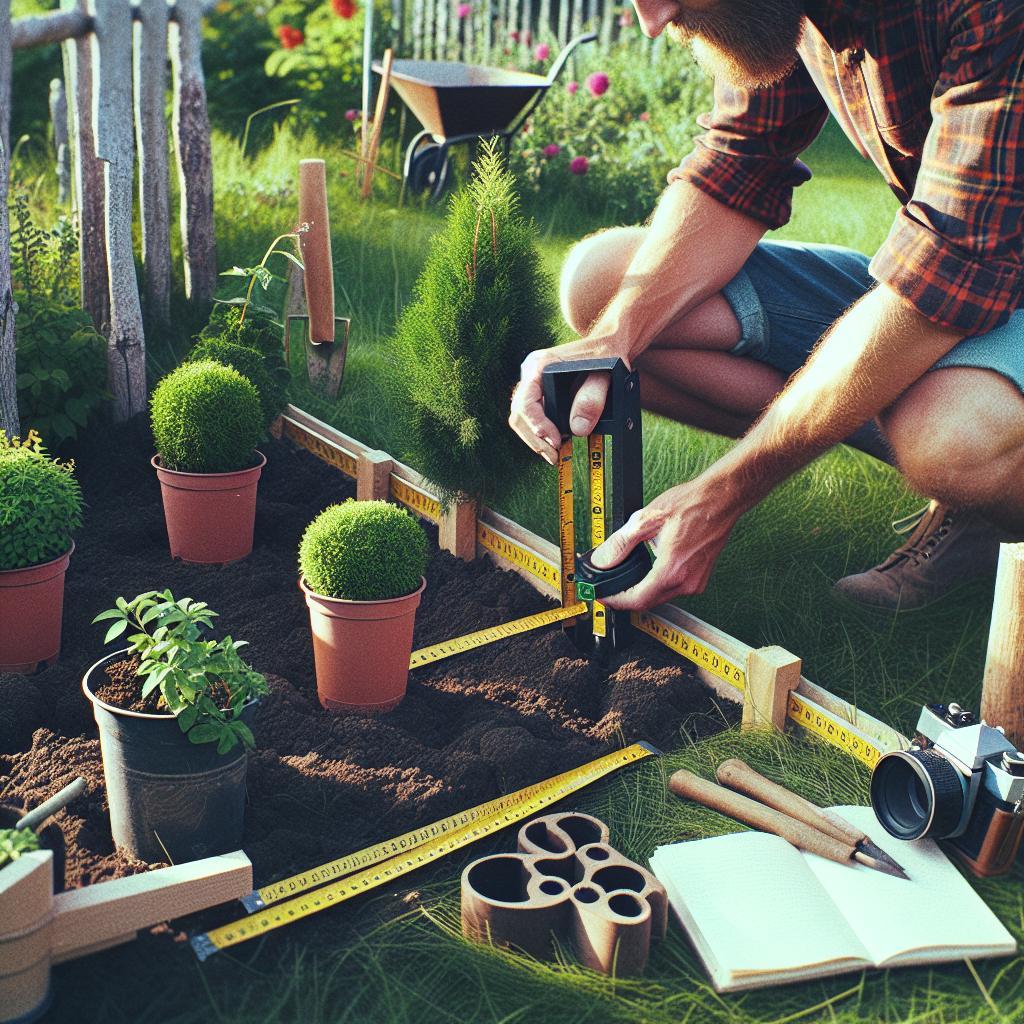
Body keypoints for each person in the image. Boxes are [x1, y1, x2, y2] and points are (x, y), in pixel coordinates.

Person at [508, 0, 1023, 612]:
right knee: (601, 287)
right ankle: (952, 460)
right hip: (959, 272)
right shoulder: (782, 13)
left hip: (968, 274)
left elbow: (949, 267)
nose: (652, 21)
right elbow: (739, 164)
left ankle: (978, 488)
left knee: (951, 438)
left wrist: (722, 493)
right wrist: (615, 337)